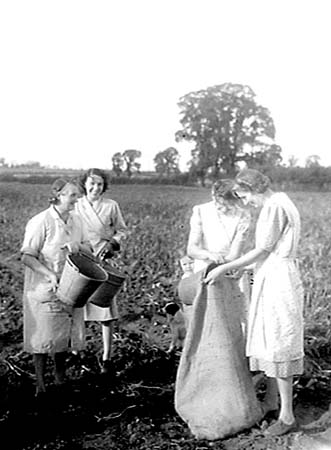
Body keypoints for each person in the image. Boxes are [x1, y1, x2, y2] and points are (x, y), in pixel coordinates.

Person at [204, 168, 304, 437]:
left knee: (279, 342)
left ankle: (287, 415)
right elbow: (270, 251)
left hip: (278, 281)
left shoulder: (273, 206)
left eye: (244, 194)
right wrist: (245, 270)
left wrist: (224, 268)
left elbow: (262, 250)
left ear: (255, 188)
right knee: (273, 338)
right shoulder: (283, 201)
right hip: (277, 274)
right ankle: (272, 402)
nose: (244, 201)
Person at [175, 179, 263, 440]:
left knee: (230, 333)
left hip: (229, 275)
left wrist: (223, 264)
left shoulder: (244, 216)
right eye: (216, 200)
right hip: (201, 272)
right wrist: (209, 256)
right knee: (201, 332)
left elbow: (236, 251)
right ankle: (201, 386)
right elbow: (192, 247)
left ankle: (230, 391)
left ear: (234, 200)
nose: (219, 205)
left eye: (225, 202)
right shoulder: (200, 211)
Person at [21, 178, 90, 397]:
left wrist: (77, 246)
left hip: (71, 286)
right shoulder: (41, 221)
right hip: (44, 287)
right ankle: (40, 385)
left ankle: (60, 379)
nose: (76, 199)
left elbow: (89, 248)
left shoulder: (77, 221)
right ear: (58, 195)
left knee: (62, 336)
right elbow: (27, 256)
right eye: (72, 195)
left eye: (77, 195)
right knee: (42, 338)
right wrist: (49, 274)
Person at [75, 168, 127, 375]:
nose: (96, 188)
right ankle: (78, 351)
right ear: (84, 184)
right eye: (92, 183)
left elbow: (122, 229)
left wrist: (113, 243)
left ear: (104, 187)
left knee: (105, 312)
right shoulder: (76, 205)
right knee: (80, 309)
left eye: (100, 184)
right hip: (82, 261)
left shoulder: (111, 206)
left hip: (103, 261)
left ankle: (107, 357)